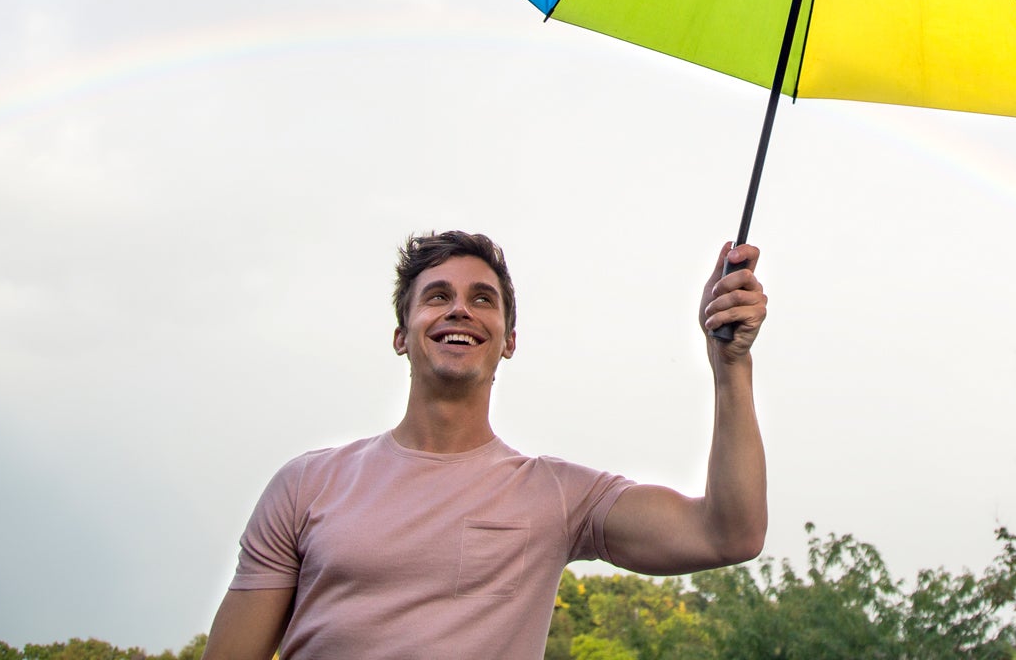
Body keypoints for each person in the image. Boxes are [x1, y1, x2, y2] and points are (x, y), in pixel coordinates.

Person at [203, 231, 768, 660]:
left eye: (483, 299)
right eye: (437, 297)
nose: (460, 311)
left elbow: (730, 534)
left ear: (509, 341)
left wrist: (730, 364)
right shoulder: (306, 485)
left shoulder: (557, 497)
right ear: (401, 335)